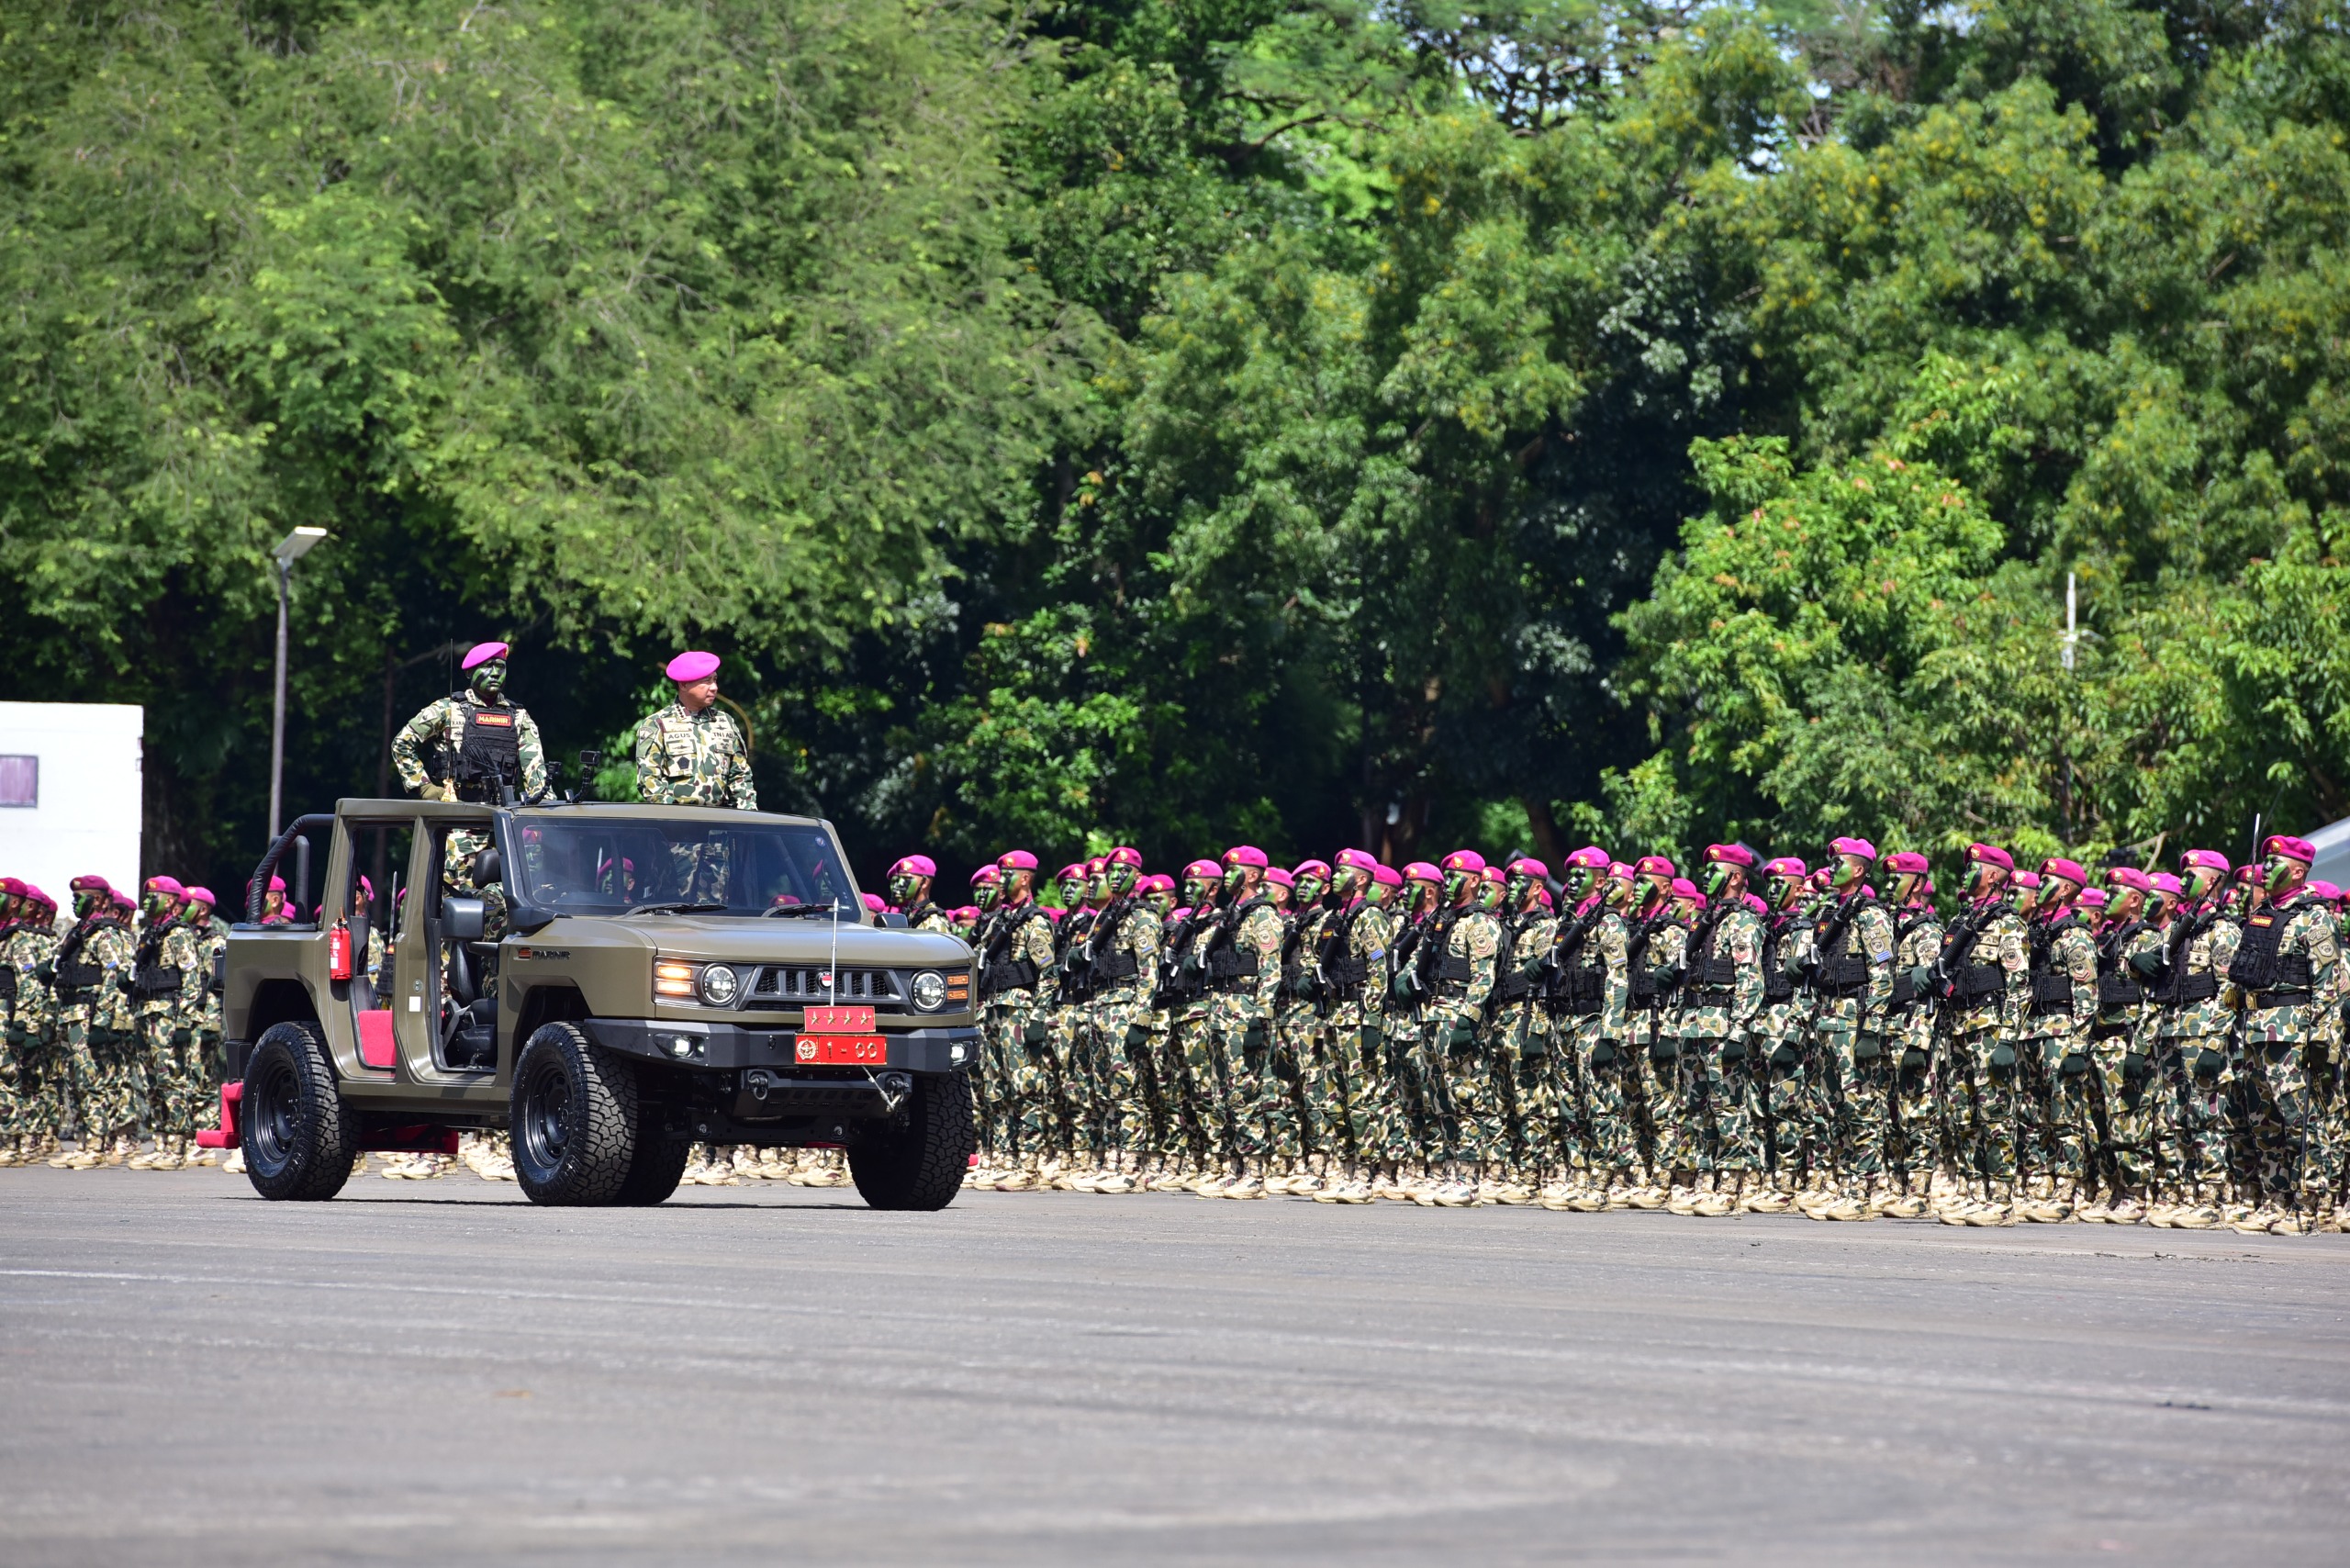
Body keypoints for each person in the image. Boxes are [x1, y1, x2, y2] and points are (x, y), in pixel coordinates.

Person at [2228, 834, 2339, 1233]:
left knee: (2302, 1122)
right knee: (2264, 1122)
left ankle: (2312, 1205)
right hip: (2256, 1032)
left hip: (2293, 1034)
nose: (2264, 870)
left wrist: (2323, 1041)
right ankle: (2276, 1199)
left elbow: (2331, 987)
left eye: (2274, 864)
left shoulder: (2315, 917)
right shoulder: (2261, 914)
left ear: (2297, 871)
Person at [46, 877, 140, 1168]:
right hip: (70, 1015)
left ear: (98, 900)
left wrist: (103, 1022)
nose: (75, 902)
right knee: (76, 1083)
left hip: (88, 1018)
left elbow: (116, 979)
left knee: (92, 1083)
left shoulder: (106, 935)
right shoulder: (78, 933)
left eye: (82, 897)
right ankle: (86, 1141)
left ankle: (98, 1145)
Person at [392, 641, 547, 803]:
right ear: (470, 672)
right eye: (488, 666)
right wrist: (424, 787)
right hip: (455, 814)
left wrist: (546, 806)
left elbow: (536, 771)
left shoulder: (518, 716)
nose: (495, 673)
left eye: (501, 667)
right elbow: (401, 743)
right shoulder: (448, 709)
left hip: (502, 814)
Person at [634, 651, 755, 809]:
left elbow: (740, 776)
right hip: (676, 823)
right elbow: (648, 780)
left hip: (721, 821)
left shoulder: (725, 722)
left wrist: (747, 817)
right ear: (683, 684)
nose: (714, 688)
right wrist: (675, 815)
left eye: (715, 680)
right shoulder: (657, 724)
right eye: (706, 681)